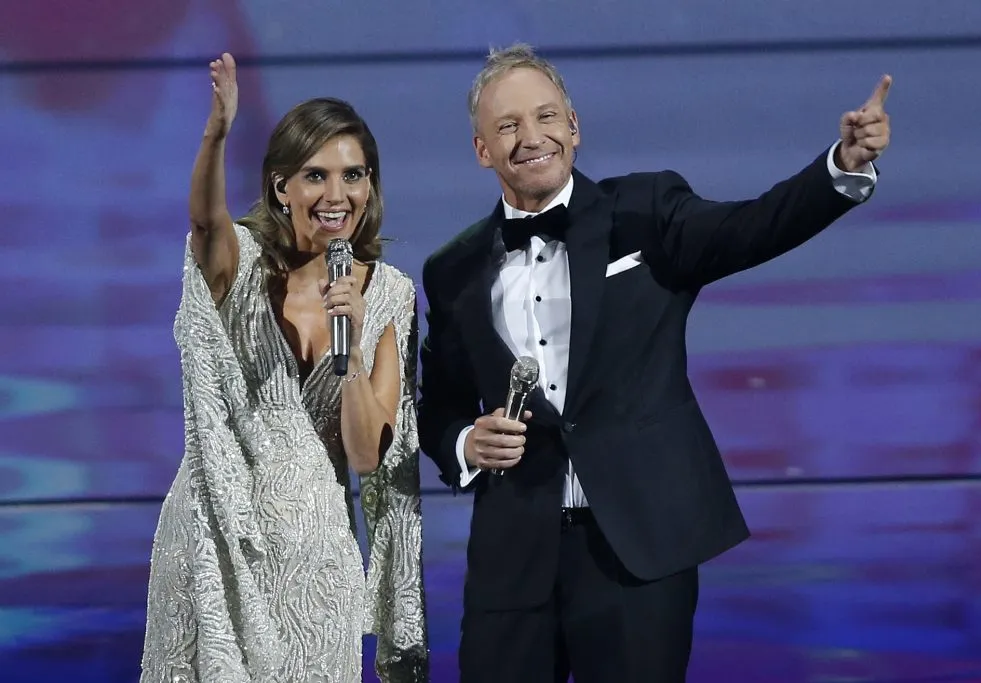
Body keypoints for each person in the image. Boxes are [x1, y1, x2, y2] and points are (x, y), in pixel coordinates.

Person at [417, 43, 891, 682]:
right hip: (512, 558)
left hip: (636, 548)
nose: (531, 137)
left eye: (546, 117)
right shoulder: (452, 270)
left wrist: (841, 168)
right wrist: (465, 443)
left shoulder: (645, 210)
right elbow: (439, 405)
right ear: (482, 149)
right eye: (508, 126)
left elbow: (754, 226)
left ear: (573, 127)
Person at [141, 53, 428, 682]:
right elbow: (203, 223)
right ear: (281, 188)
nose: (336, 195)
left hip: (314, 564)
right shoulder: (240, 265)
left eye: (353, 175)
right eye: (315, 176)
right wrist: (218, 131)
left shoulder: (390, 296)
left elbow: (366, 455)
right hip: (215, 540)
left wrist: (353, 352)